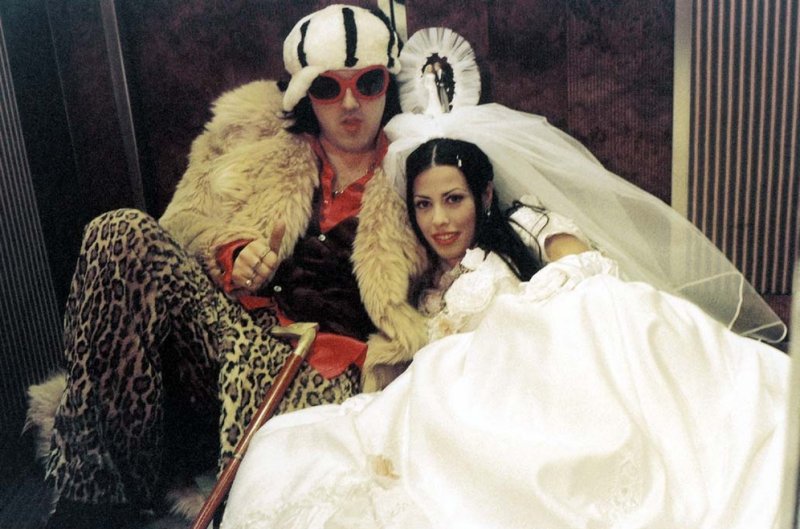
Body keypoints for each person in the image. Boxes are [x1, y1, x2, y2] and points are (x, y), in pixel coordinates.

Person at [219, 136, 789, 529]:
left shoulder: (527, 225)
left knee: (600, 305)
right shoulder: (427, 287)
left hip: (551, 380)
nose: (440, 220)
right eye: (424, 205)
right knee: (292, 449)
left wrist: (520, 321)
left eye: (454, 200)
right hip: (471, 409)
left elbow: (589, 279)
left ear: (484, 196)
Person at [29, 5, 429, 528]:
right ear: (305, 93)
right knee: (118, 229)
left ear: (388, 84)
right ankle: (93, 501)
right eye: (329, 87)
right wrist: (230, 254)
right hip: (224, 336)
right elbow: (179, 227)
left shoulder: (417, 170)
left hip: (317, 375)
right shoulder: (255, 144)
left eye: (368, 83)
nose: (351, 103)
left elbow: (470, 248)